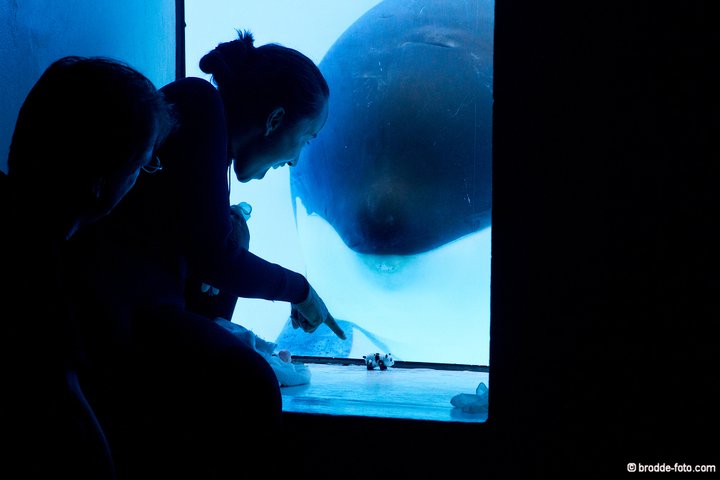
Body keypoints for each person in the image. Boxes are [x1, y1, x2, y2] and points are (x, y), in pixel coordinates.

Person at [66, 31, 344, 478]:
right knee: (253, 384)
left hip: (138, 308)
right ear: (275, 119)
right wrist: (300, 290)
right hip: (114, 315)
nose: (295, 160)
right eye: (306, 138)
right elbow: (216, 257)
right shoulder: (201, 107)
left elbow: (209, 253)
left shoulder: (210, 124)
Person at [0, 55, 174, 479]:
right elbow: (71, 423)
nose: (143, 176)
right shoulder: (37, 270)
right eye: (143, 163)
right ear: (100, 181)